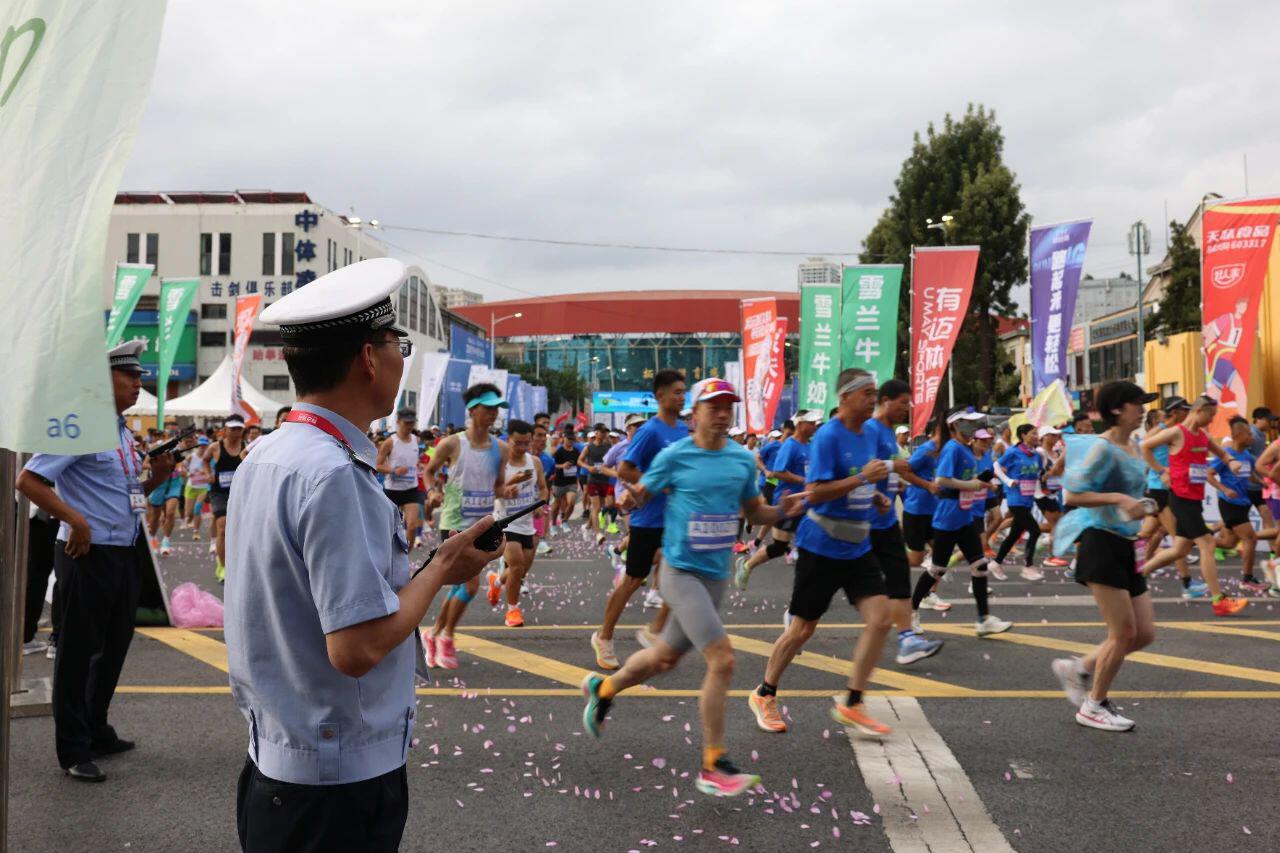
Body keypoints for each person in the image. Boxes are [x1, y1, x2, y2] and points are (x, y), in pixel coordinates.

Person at [225, 258, 498, 849]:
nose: (402, 358)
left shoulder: (268, 454)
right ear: (369, 358)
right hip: (334, 780)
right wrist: (442, 568)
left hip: (281, 758)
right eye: (399, 344)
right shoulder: (332, 474)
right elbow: (357, 648)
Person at [581, 378, 806, 797]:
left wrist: (780, 511)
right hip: (680, 572)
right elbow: (642, 492)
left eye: (727, 407)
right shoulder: (676, 455)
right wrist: (631, 499)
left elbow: (754, 511)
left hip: (714, 577)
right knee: (723, 660)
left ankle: (603, 688)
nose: (721, 414)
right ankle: (713, 763)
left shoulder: (741, 460)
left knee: (664, 658)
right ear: (696, 413)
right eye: (713, 406)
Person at [17, 340, 175, 782]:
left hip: (123, 549)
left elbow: (127, 495)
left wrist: (157, 477)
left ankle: (96, 728)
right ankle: (72, 748)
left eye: (140, 376)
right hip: (86, 553)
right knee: (77, 652)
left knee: (114, 645)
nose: (139, 384)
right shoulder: (79, 425)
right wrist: (75, 520)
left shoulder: (121, 430)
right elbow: (29, 480)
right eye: (131, 376)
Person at [746, 368, 903, 739]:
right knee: (802, 629)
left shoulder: (869, 434)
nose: (872, 400)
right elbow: (816, 492)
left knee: (881, 620)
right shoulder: (828, 437)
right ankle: (764, 692)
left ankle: (853, 701)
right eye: (866, 393)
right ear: (845, 397)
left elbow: (856, 478)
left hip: (858, 547)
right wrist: (864, 480)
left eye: (874, 393)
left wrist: (874, 495)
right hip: (822, 546)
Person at [1049, 381, 1159, 732]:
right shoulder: (1102, 448)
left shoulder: (1135, 445)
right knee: (1123, 632)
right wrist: (1118, 499)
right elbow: (1072, 496)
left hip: (1127, 543)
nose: (1142, 410)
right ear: (1116, 409)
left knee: (1143, 634)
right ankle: (1094, 705)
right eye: (1137, 404)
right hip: (1101, 543)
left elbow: (1131, 493)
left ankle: (1079, 668)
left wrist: (1142, 506)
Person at [590, 370, 686, 670]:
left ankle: (656, 629)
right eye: (676, 392)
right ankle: (603, 636)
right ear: (660, 396)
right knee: (633, 580)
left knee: (681, 572)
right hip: (648, 518)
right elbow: (625, 470)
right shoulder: (650, 431)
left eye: (684, 392)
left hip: (675, 516)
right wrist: (658, 484)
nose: (682, 397)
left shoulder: (684, 430)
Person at [420, 383, 513, 668]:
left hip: (483, 524)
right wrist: (432, 491)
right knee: (471, 585)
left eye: (496, 409)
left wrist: (507, 491)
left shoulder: (502, 449)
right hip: (454, 523)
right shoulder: (451, 444)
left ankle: (435, 633)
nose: (493, 414)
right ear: (472, 411)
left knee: (462, 584)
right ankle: (446, 636)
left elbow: (498, 486)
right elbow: (429, 471)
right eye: (488, 408)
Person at [1140, 395, 1248, 616]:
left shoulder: (1203, 436)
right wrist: (1161, 472)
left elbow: (1221, 452)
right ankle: (1219, 600)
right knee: (1207, 544)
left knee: (1180, 549)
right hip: (1180, 497)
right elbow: (1145, 446)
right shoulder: (1176, 432)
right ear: (1198, 411)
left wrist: (1231, 462)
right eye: (1210, 415)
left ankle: (1137, 575)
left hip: (1194, 498)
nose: (1212, 420)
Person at [910, 409, 1013, 637]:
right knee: (937, 568)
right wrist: (972, 486)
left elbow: (967, 479)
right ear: (955, 426)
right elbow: (942, 479)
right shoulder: (952, 448)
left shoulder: (966, 448)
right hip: (948, 517)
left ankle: (984, 620)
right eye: (968, 422)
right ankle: (912, 610)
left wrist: (982, 483)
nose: (974, 426)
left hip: (965, 516)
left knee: (979, 564)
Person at [862, 379, 943, 666]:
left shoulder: (886, 433)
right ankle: (799, 614)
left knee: (899, 578)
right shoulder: (870, 430)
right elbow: (861, 469)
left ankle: (907, 639)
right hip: (862, 522)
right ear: (885, 401)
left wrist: (900, 483)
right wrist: (889, 475)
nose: (907, 409)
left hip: (885, 522)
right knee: (839, 579)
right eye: (902, 403)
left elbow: (900, 470)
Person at [733, 409, 820, 588]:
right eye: (811, 423)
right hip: (788, 501)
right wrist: (803, 481)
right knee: (779, 546)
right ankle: (747, 565)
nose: (814, 426)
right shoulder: (790, 446)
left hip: (806, 502)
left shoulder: (811, 446)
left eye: (815, 423)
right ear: (800, 424)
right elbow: (779, 472)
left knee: (812, 541)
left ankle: (808, 586)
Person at [1137, 398, 1203, 597]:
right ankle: (1187, 584)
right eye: (1185, 410)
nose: (1188, 414)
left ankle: (1131, 565)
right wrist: (1161, 471)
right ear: (1175, 412)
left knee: (1146, 533)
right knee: (1177, 539)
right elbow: (1143, 445)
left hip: (1165, 489)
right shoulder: (1162, 431)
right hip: (1159, 489)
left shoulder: (1178, 431)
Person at [485, 419, 549, 626]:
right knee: (517, 565)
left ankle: (496, 581)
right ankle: (512, 610)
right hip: (505, 522)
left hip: (527, 524)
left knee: (520, 570)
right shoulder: (499, 464)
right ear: (508, 440)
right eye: (518, 443)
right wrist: (503, 493)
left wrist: (540, 504)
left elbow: (543, 488)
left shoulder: (534, 462)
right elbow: (489, 491)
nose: (522, 448)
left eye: (526, 443)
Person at [1208, 417, 1273, 591]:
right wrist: (1224, 489)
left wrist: (1261, 482)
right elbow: (1209, 474)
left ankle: (1198, 539)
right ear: (1237, 436)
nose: (1252, 436)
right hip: (1229, 503)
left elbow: (1249, 474)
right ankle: (1247, 579)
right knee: (1250, 538)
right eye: (1248, 434)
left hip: (1243, 503)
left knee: (1229, 543)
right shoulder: (1226, 455)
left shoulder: (1247, 456)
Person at [902, 419, 951, 612]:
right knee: (916, 559)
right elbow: (905, 472)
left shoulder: (944, 451)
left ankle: (928, 594)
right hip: (916, 510)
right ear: (939, 429)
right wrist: (927, 485)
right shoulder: (925, 450)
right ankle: (882, 560)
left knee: (941, 554)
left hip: (934, 510)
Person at [992, 424, 1046, 580]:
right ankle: (1028, 567)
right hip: (1015, 499)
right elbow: (996, 466)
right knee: (1035, 531)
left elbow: (1039, 474)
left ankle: (996, 563)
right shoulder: (1013, 452)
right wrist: (1008, 481)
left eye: (1037, 433)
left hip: (1028, 499)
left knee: (1014, 535)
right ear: (1023, 435)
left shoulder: (1036, 455)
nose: (1036, 436)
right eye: (1033, 433)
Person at [205, 415, 247, 583]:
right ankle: (223, 567)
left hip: (240, 493)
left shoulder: (247, 447)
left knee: (239, 531)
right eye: (233, 428)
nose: (236, 432)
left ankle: (235, 563)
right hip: (219, 493)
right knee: (222, 527)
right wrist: (208, 473)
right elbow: (205, 460)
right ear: (225, 430)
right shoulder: (215, 447)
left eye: (239, 429)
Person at [378, 408, 425, 549]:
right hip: (392, 490)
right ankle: (388, 554)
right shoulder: (390, 442)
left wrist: (419, 465)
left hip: (411, 489)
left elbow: (413, 459)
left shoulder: (417, 440)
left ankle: (405, 556)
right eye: (406, 423)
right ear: (398, 422)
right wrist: (393, 470)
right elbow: (377, 465)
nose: (409, 426)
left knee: (412, 526)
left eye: (412, 423)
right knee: (387, 528)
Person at [579, 423, 613, 546]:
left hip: (604, 479)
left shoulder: (608, 446)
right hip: (593, 480)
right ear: (596, 433)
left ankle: (588, 526)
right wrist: (588, 467)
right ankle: (598, 534)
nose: (604, 434)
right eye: (602, 432)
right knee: (596, 507)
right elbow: (579, 461)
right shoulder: (588, 447)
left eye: (605, 432)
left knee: (602, 507)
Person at [549, 426, 581, 536]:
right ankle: (553, 524)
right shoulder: (559, 451)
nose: (570, 441)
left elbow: (578, 465)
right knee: (556, 505)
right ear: (564, 438)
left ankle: (565, 521)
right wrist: (562, 466)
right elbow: (553, 465)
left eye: (572, 439)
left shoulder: (576, 451)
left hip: (571, 482)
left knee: (571, 502)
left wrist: (578, 480)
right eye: (569, 439)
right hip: (559, 482)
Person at [183, 436, 212, 541]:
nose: (202, 447)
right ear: (198, 445)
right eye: (201, 445)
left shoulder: (209, 458)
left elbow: (212, 469)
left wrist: (206, 472)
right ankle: (189, 519)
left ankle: (196, 531)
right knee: (189, 513)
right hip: (191, 486)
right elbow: (182, 467)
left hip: (203, 487)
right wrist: (187, 473)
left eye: (204, 445)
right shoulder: (192, 456)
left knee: (197, 509)